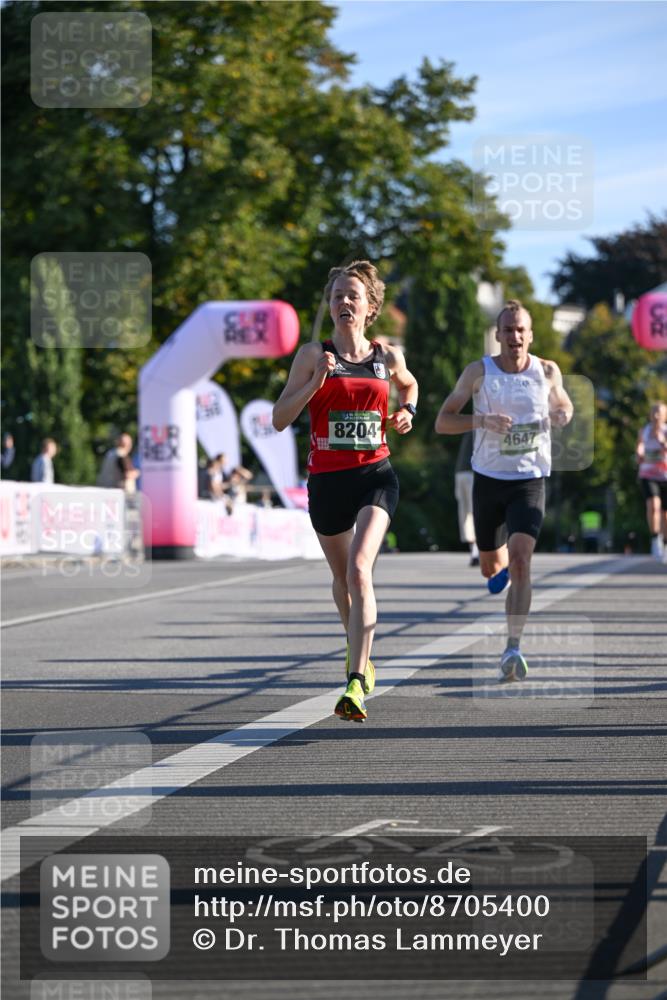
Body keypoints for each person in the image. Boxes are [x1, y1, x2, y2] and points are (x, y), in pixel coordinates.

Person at [272, 260, 418, 722]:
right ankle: (362, 652)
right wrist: (314, 384)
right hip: (327, 481)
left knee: (360, 568)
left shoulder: (386, 355)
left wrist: (408, 409)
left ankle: (355, 681)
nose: (344, 302)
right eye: (337, 296)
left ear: (369, 307)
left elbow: (409, 383)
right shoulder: (313, 355)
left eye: (352, 295)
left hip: (375, 475)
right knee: (342, 583)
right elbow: (279, 419)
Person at [435, 299, 573, 682]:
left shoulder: (546, 370)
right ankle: (501, 573)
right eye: (508, 330)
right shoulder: (479, 372)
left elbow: (563, 405)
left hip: (529, 479)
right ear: (497, 335)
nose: (515, 337)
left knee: (522, 558)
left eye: (521, 330)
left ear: (531, 335)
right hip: (489, 481)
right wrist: (482, 420)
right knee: (491, 567)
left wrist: (562, 413)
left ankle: (513, 647)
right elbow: (442, 422)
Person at [635, 401, 667, 561]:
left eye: (659, 413)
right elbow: (639, 446)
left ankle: (665, 543)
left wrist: (662, 442)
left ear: (664, 416)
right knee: (653, 505)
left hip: (665, 476)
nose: (655, 416)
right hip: (648, 475)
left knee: (665, 514)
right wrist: (639, 454)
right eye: (653, 412)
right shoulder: (644, 431)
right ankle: (655, 540)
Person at [455, 431, 479, 566]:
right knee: (475, 512)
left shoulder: (470, 428)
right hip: (472, 473)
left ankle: (474, 550)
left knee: (465, 513)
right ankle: (477, 551)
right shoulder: (484, 426)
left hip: (460, 472)